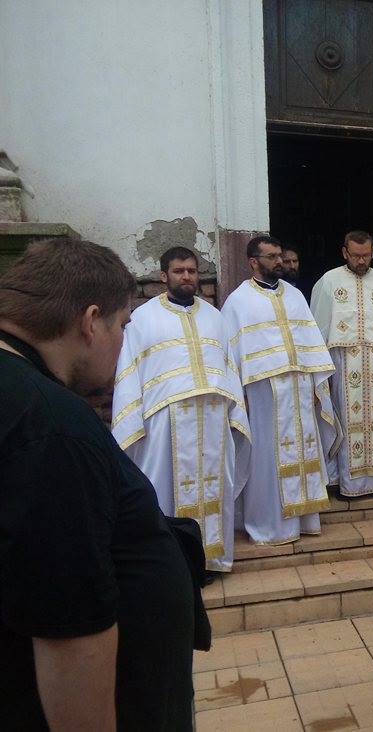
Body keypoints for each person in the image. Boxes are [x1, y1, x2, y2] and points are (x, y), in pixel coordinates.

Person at [0, 238, 200, 729]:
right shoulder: (52, 427)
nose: (123, 342)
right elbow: (68, 626)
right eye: (123, 325)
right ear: (91, 321)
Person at [112, 246, 251, 572]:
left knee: (215, 488)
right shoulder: (142, 319)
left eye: (191, 271)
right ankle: (174, 567)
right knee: (164, 491)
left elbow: (229, 368)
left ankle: (212, 560)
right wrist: (133, 421)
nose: (187, 276)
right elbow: (128, 373)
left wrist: (235, 413)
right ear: (164, 276)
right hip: (166, 420)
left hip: (213, 417)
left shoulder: (214, 317)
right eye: (179, 271)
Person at [222, 235, 341, 545]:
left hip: (299, 387)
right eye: (272, 257)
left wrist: (317, 382)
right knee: (267, 456)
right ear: (253, 262)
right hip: (263, 391)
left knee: (305, 449)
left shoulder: (295, 295)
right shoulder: (237, 301)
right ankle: (270, 524)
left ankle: (305, 519)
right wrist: (239, 396)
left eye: (280, 255)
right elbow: (230, 354)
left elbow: (310, 341)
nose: (279, 261)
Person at [310, 231, 373, 496]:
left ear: (372, 253)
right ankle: (348, 483)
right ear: (344, 253)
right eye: (355, 256)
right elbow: (317, 328)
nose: (361, 261)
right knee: (345, 419)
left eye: (366, 256)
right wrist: (320, 370)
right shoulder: (328, 282)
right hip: (343, 362)